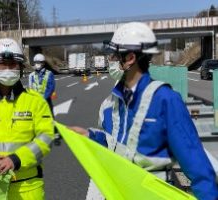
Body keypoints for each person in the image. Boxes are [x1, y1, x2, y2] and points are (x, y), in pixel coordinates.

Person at [70, 22, 218, 200]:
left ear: (130, 58)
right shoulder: (111, 104)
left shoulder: (165, 100)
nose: (110, 60)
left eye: (115, 56)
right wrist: (91, 136)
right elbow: (116, 148)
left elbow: (198, 168)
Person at [0, 38, 54, 200]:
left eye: (13, 64)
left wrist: (17, 159)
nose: (7, 68)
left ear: (20, 67)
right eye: (2, 64)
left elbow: (46, 138)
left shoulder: (36, 102)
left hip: (27, 188)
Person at [28, 53, 61, 145]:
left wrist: (44, 98)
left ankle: (56, 135)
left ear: (43, 63)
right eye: (35, 62)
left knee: (50, 117)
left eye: (39, 62)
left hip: (46, 101)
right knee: (33, 119)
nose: (37, 64)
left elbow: (51, 87)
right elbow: (30, 88)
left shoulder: (49, 74)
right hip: (35, 102)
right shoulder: (31, 75)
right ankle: (34, 136)